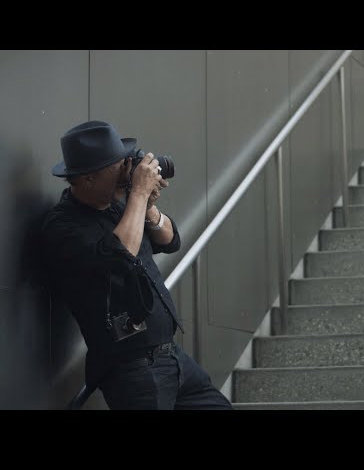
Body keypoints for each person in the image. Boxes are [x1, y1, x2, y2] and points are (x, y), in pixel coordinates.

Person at [42, 120, 232, 410]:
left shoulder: (121, 207)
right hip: (133, 370)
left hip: (171, 356)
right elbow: (121, 255)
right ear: (88, 178)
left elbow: (170, 240)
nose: (127, 171)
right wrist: (139, 196)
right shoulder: (63, 225)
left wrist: (149, 206)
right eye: (117, 166)